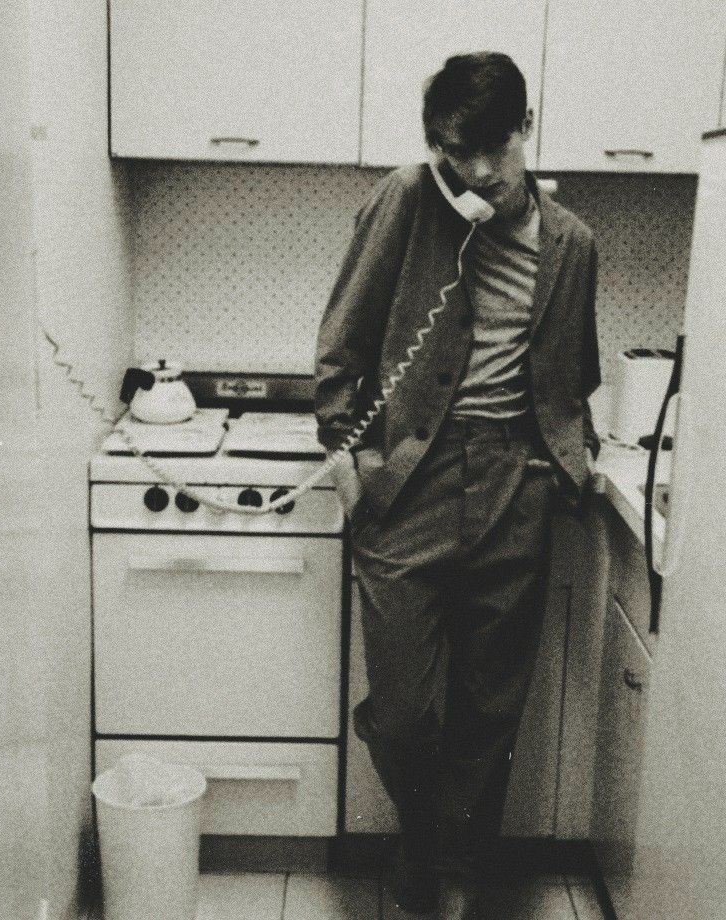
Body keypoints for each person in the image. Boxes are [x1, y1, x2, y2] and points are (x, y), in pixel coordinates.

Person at [314, 52, 600, 920]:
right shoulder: (406, 200)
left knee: (490, 708)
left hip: (518, 482)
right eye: (452, 151)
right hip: (411, 483)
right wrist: (349, 453)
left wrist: (559, 463)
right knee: (404, 714)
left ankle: (449, 870)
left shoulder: (573, 244)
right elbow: (343, 342)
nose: (474, 171)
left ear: (526, 130)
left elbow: (570, 372)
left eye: (489, 149)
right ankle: (426, 844)